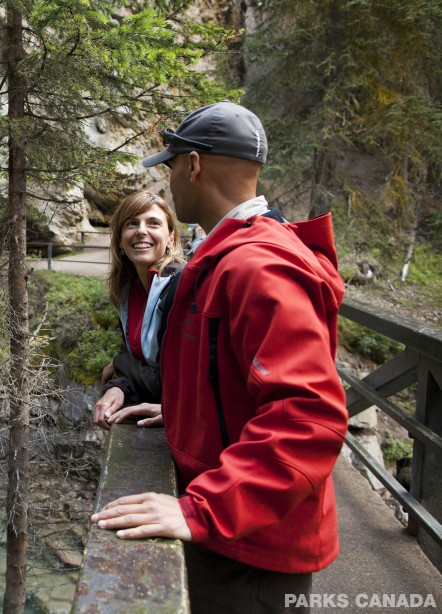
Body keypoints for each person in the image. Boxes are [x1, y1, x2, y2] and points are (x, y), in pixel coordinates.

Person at [90, 101, 348, 613]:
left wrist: (204, 512)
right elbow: (232, 376)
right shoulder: (232, 254)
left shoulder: (256, 266)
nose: (169, 182)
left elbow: (310, 417)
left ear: (194, 165)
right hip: (239, 526)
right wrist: (188, 412)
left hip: (248, 544)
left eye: (170, 167)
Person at [93, 192, 184, 430]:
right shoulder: (128, 292)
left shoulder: (178, 287)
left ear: (171, 238)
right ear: (120, 240)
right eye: (132, 223)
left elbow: (163, 383)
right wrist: (119, 386)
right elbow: (142, 363)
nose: (141, 230)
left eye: (153, 223)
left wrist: (119, 362)